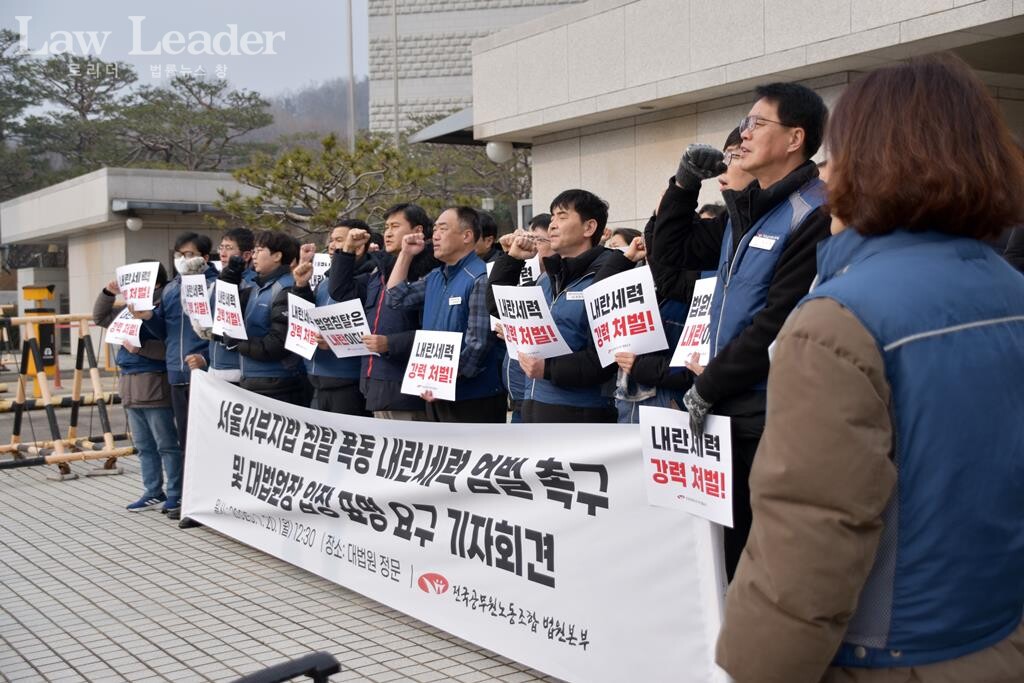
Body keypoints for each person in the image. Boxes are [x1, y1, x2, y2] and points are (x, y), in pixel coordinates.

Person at [717, 53, 1024, 683]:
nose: (827, 171)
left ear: (868, 162)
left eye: (836, 154)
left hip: (888, 655)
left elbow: (807, 542)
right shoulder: (1010, 289)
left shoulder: (839, 320)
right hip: (999, 632)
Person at [651, 83, 831, 579]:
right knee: (721, 558)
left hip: (773, 413)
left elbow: (777, 322)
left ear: (795, 138)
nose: (743, 134)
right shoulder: (746, 212)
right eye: (743, 125)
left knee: (764, 562)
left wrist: (706, 386)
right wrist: (684, 185)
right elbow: (668, 262)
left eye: (757, 124)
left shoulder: (815, 212)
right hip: (729, 409)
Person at [487, 190, 632, 423]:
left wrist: (547, 368)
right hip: (533, 406)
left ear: (589, 227)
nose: (552, 225)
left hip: (582, 414)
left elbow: (606, 359)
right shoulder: (547, 277)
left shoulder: (608, 277)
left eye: (562, 217)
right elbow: (499, 308)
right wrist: (512, 259)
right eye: (552, 217)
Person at [386, 206, 506, 423]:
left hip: (472, 398)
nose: (435, 236)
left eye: (443, 229)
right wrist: (405, 254)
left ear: (467, 236)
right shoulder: (436, 276)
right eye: (434, 230)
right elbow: (395, 299)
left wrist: (439, 381)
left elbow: (478, 345)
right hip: (436, 391)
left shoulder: (480, 278)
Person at [329, 203, 438, 420]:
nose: (387, 233)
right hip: (375, 383)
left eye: (395, 226)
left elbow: (437, 332)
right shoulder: (380, 270)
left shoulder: (430, 272)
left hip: (409, 386)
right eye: (386, 227)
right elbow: (341, 291)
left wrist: (390, 343)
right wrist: (347, 250)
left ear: (417, 231)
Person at [93, 262, 183, 517]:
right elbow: (100, 317)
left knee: (167, 444)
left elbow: (172, 345)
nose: (130, 287)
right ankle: (153, 490)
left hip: (154, 382)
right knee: (144, 445)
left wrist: (140, 348)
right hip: (130, 383)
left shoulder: (164, 305)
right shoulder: (131, 308)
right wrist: (108, 293)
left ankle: (175, 493)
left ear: (154, 283)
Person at [291, 220, 370, 415]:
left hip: (348, 382)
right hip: (316, 379)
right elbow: (309, 317)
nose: (332, 246)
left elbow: (373, 329)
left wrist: (335, 339)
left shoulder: (369, 280)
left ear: (359, 246)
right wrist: (301, 287)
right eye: (331, 240)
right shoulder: (325, 282)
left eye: (339, 240)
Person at [223, 230, 308, 406]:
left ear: (277, 256)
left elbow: (278, 344)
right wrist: (229, 281)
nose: (254, 256)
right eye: (254, 251)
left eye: (260, 250)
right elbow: (223, 324)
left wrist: (239, 343)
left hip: (278, 383)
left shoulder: (287, 289)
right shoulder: (255, 288)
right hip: (253, 380)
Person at [196, 227, 257, 383]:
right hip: (215, 365)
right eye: (221, 247)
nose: (222, 253)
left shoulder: (253, 284)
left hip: (239, 367)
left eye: (229, 248)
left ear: (246, 255)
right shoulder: (217, 282)